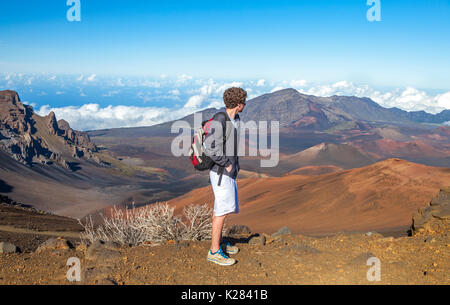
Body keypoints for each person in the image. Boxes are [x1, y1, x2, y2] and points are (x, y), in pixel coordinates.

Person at [203, 87, 247, 266]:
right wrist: (227, 163)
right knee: (221, 212)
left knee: (220, 209)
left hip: (227, 173)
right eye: (244, 101)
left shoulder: (234, 118)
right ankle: (214, 252)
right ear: (239, 104)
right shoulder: (221, 119)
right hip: (221, 173)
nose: (245, 104)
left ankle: (219, 244)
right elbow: (209, 146)